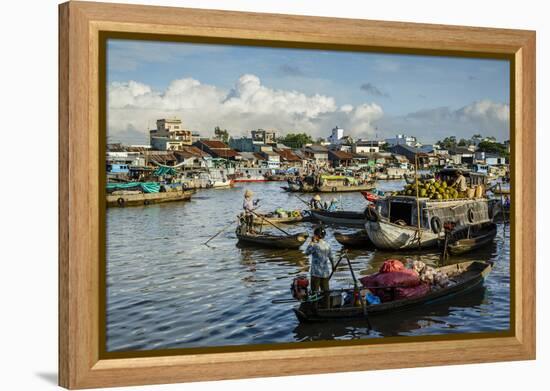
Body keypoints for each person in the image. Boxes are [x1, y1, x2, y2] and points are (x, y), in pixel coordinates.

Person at [305, 226, 334, 296]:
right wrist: (333, 266)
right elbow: (331, 257)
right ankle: (326, 306)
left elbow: (307, 252)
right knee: (326, 292)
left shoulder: (315, 246)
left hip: (316, 273)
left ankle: (314, 306)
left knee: (314, 293)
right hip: (325, 273)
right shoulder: (327, 245)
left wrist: (311, 242)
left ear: (316, 236)